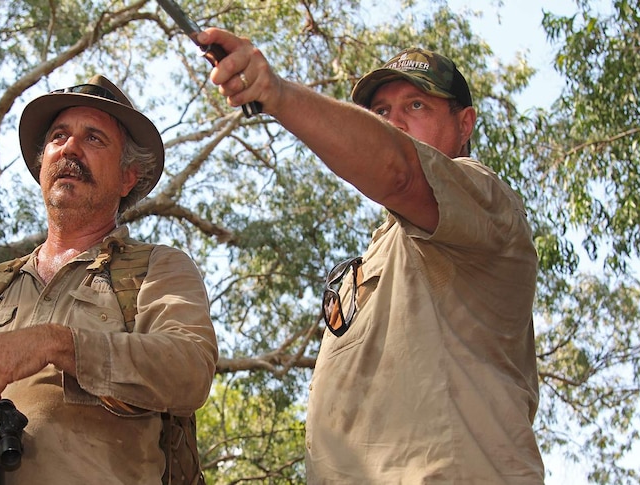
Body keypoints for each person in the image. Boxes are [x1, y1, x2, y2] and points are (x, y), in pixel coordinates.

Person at [198, 28, 544, 484]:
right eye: (381, 111)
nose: (394, 122)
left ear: (465, 125)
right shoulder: (385, 247)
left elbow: (399, 172)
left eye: (416, 106)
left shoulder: (483, 198)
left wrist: (275, 93)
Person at [0, 75, 219, 485]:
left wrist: (56, 343)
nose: (70, 148)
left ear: (127, 178)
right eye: (59, 137)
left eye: (94, 139)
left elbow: (189, 368)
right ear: (42, 165)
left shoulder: (157, 267)